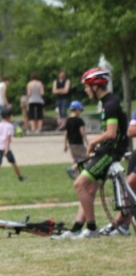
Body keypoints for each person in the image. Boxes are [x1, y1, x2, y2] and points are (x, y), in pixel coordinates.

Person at [53, 68, 129, 240]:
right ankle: (76, 229)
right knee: (89, 188)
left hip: (110, 152)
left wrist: (94, 141)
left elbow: (111, 133)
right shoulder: (108, 102)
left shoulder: (110, 105)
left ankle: (92, 228)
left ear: (96, 86)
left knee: (79, 184)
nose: (86, 90)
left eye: (87, 87)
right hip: (108, 150)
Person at [0, 107, 25, 184]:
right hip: (5, 147)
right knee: (13, 162)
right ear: (9, 117)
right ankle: (20, 177)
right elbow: (8, 138)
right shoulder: (10, 126)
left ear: (1, 116)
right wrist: (6, 149)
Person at [63, 100, 88, 168]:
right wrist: (87, 142)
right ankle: (73, 169)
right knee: (86, 158)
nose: (81, 112)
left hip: (71, 144)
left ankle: (75, 172)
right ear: (76, 110)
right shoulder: (79, 120)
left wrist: (65, 144)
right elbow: (82, 132)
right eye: (80, 110)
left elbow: (66, 133)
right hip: (79, 143)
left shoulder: (68, 120)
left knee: (76, 159)